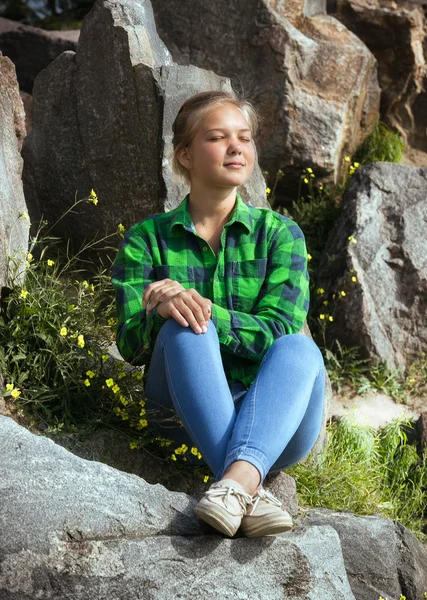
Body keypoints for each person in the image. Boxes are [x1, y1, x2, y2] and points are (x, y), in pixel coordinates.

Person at [111, 90, 326, 538]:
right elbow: (131, 346)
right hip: (179, 417)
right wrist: (163, 310)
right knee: (186, 328)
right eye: (218, 137)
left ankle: (233, 486)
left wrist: (205, 309)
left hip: (275, 421)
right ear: (185, 155)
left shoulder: (280, 235)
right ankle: (248, 481)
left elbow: (276, 332)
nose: (236, 148)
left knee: (299, 350)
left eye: (244, 138)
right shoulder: (146, 240)